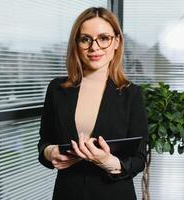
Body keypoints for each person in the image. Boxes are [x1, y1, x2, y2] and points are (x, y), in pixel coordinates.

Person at [37, 7, 148, 200]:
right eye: (85, 39)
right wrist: (50, 152)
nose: (94, 47)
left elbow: (139, 160)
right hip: (67, 193)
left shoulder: (132, 94)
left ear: (116, 42)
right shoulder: (57, 89)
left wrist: (108, 161)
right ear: (76, 44)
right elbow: (44, 142)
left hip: (115, 194)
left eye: (104, 38)